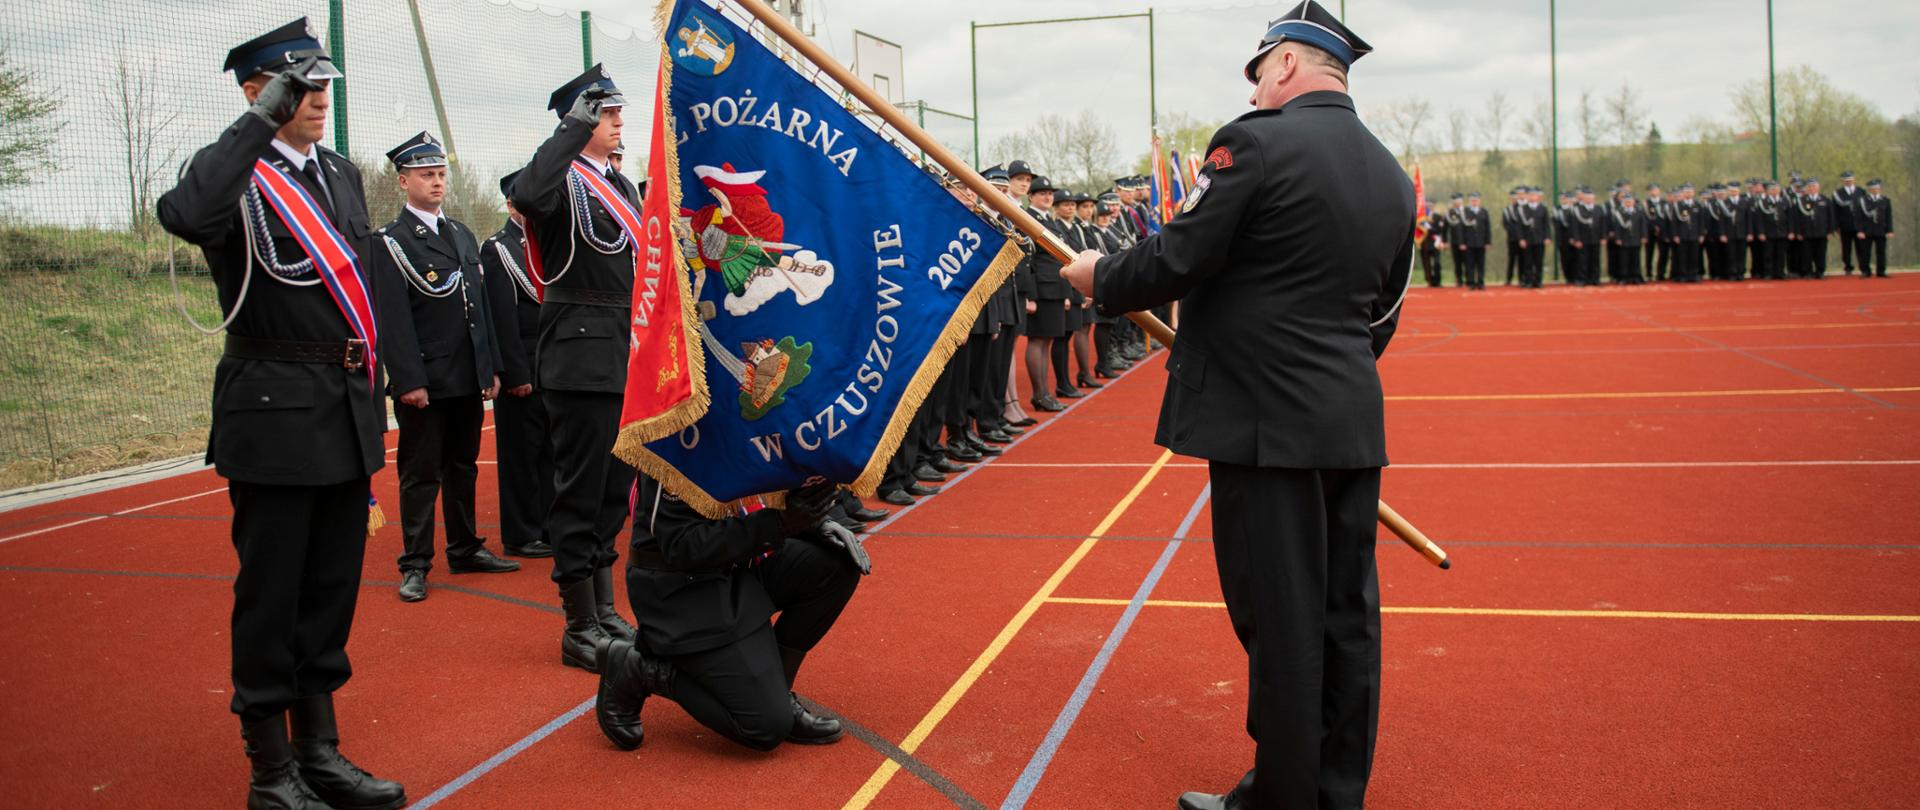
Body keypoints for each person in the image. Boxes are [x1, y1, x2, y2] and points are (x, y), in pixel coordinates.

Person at [1063, 3, 1410, 806]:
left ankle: (1283, 798)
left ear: (1284, 64)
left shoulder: (1254, 141)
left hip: (1264, 426)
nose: (1254, 91)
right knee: (1344, 616)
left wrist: (1099, 278)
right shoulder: (1390, 172)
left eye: (1259, 74)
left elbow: (1181, 254)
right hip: (1347, 420)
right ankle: (1334, 789)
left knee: (1282, 618)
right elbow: (1384, 312)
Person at [156, 19, 406, 809]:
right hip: (273, 415)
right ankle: (270, 772)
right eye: (299, 85)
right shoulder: (232, 172)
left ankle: (320, 752)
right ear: (258, 91)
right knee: (273, 595)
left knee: (329, 590)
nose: (317, 98)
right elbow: (187, 215)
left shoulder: (338, 174)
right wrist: (257, 122)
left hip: (342, 408)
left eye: (323, 84)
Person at [511, 65, 643, 672]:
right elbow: (527, 196)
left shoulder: (622, 187)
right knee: (579, 493)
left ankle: (605, 606)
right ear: (581, 121)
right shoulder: (560, 182)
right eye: (606, 113)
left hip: (623, 353)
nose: (619, 122)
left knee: (614, 493)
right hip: (579, 354)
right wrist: (570, 127)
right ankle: (578, 622)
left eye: (617, 113)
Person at [593, 481, 864, 752]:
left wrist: (815, 522)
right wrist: (781, 523)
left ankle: (777, 691)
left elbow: (768, 484)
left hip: (737, 562)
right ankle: (643, 669)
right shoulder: (672, 443)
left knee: (837, 563)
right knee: (765, 726)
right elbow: (683, 546)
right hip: (681, 588)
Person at [374, 132, 517, 602]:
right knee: (420, 473)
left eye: (439, 174)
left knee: (464, 466)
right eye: (425, 175)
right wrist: (408, 380)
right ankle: (415, 562)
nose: (436, 183)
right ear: (403, 180)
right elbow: (393, 320)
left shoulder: (458, 232)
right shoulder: (391, 243)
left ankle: (464, 546)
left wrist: (491, 367)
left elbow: (480, 308)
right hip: (426, 380)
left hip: (466, 375)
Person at [481, 170, 556, 562]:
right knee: (520, 456)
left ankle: (545, 525)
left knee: (551, 453)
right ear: (511, 205)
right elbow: (502, 318)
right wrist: (515, 374)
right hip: (523, 368)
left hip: (554, 366)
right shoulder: (499, 249)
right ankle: (521, 532)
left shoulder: (548, 242)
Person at [1854, 179, 1893, 277]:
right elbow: (1858, 217)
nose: (1875, 190)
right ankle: (1865, 271)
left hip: (1881, 230)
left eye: (1877, 188)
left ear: (1880, 189)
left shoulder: (1885, 200)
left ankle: (1881, 271)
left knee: (1881, 252)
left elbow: (1889, 217)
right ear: (1869, 190)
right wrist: (1859, 230)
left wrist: (1890, 230)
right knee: (1865, 252)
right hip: (1867, 230)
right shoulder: (1863, 200)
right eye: (1873, 189)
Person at [1798, 178, 1834, 279]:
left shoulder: (1825, 200)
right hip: (1806, 232)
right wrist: (1799, 232)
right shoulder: (1802, 201)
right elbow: (1797, 218)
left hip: (1822, 232)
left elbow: (1831, 216)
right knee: (1807, 254)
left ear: (1818, 187)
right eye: (1809, 187)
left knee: (1821, 253)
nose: (1811, 188)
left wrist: (1830, 231)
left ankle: (1820, 271)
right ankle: (1808, 272)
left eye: (1813, 186)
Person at [1833, 171, 1863, 274]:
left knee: (1861, 248)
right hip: (1844, 225)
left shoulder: (1861, 191)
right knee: (1846, 248)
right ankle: (1848, 267)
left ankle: (1863, 267)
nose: (1848, 182)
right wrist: (1836, 226)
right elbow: (1835, 211)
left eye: (1850, 180)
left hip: (1859, 226)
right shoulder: (1838, 193)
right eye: (1846, 181)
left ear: (1854, 180)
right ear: (1843, 181)